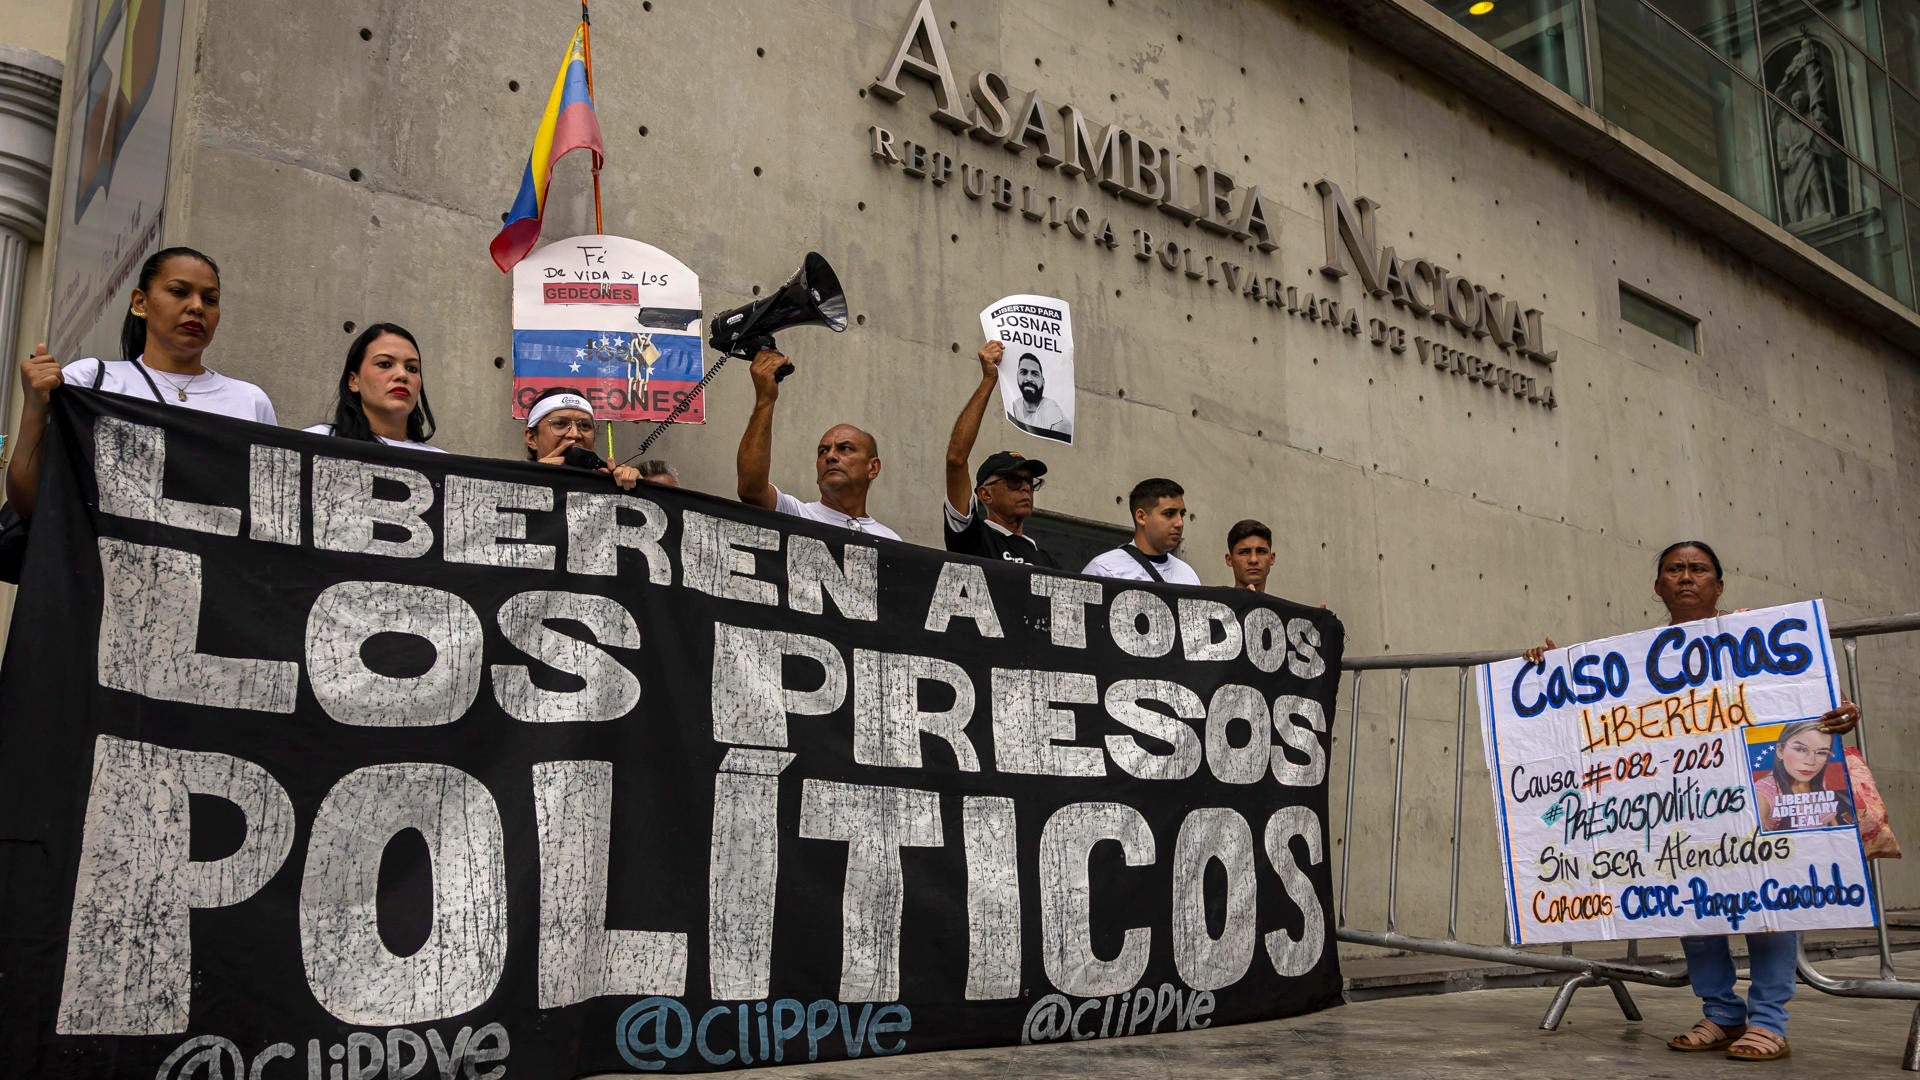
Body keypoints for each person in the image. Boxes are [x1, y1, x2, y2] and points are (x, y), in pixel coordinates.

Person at [1525, 540, 1859, 1062]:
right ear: (1658, 586)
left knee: (1772, 900)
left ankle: (1769, 1021)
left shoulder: (1758, 636)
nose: (1686, 577)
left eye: (1698, 569)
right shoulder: (1633, 659)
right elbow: (1581, 712)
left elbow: (1801, 703)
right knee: (1692, 898)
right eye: (1674, 570)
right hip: (1687, 806)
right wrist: (1544, 669)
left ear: (1719, 586)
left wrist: (1834, 715)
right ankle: (1721, 1013)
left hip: (1753, 795)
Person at [8, 246, 276, 519]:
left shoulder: (250, 401)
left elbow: (270, 517)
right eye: (179, 292)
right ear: (140, 302)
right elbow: (33, 505)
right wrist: (34, 405)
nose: (196, 307)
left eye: (210, 299)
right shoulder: (91, 381)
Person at [735, 347, 900, 540]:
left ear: (873, 467)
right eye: (822, 451)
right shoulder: (796, 514)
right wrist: (765, 400)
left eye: (844, 448)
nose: (830, 456)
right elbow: (751, 489)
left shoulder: (892, 540)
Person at [942, 340, 1058, 566]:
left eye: (1029, 482)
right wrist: (988, 380)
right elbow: (956, 460)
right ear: (985, 494)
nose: (1026, 487)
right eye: (1014, 480)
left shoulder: (1045, 559)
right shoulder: (973, 537)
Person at [303, 322, 443, 452]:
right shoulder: (313, 442)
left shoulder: (444, 463)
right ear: (353, 381)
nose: (402, 375)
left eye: (412, 368)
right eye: (385, 364)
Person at [1082, 478, 1199, 584]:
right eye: (1169, 514)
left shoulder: (1188, 575)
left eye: (1182, 514)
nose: (1179, 523)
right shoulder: (1104, 570)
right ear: (1141, 517)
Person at [524, 386, 642, 490]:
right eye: (560, 424)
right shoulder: (511, 487)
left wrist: (641, 489)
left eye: (585, 426)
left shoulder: (610, 484)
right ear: (532, 438)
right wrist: (533, 479)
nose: (575, 434)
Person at [1753, 719, 1854, 830]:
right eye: (1800, 749)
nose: (1811, 762)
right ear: (1780, 751)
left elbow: (1831, 818)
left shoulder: (1815, 778)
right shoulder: (1763, 794)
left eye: (1822, 752)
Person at [1006, 351, 1071, 441]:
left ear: (1043, 381)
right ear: (1017, 376)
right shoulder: (1013, 405)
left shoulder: (1056, 418)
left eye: (1035, 374)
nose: (1028, 378)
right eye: (1023, 372)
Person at [1225, 519, 1276, 592]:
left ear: (1272, 558)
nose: (1253, 559)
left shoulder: (1280, 603)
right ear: (1229, 559)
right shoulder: (1213, 603)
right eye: (1244, 552)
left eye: (1261, 551)